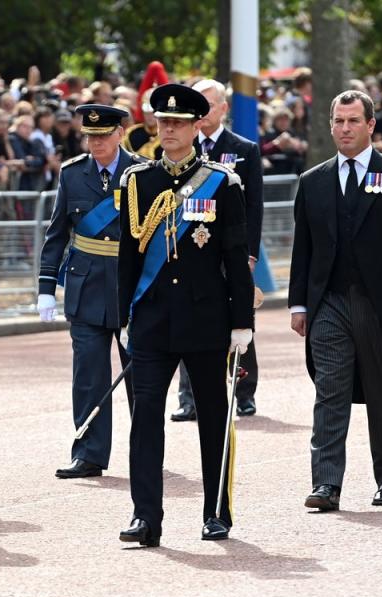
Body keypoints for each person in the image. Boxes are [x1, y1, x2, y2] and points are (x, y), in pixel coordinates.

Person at [117, 84, 253, 547]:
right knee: (145, 420)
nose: (168, 129)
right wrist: (122, 315)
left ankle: (217, 511)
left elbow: (235, 255)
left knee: (214, 418)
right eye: (162, 122)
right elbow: (128, 259)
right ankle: (144, 516)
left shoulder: (221, 181)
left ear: (197, 126)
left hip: (205, 320)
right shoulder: (139, 181)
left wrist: (241, 322)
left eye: (177, 123)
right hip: (152, 320)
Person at [289, 90, 382, 511]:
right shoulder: (312, 181)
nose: (345, 129)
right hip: (329, 302)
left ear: (371, 125)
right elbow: (305, 249)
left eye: (354, 121)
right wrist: (299, 305)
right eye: (339, 121)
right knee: (329, 393)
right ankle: (326, 484)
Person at [37, 104, 139, 478]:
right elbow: (57, 233)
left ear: (120, 134)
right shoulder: (72, 174)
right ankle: (89, 452)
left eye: (103, 135)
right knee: (89, 375)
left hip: (132, 290)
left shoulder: (143, 173)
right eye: (90, 136)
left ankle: (145, 448)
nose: (95, 142)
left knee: (140, 376)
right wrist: (46, 286)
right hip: (86, 287)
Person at [170, 78, 264, 421]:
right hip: (190, 253)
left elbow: (254, 207)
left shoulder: (244, 149)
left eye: (210, 104)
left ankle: (244, 390)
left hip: (230, 250)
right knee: (185, 320)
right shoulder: (180, 149)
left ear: (224, 108)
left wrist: (249, 254)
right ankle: (188, 396)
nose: (204, 111)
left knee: (240, 317)